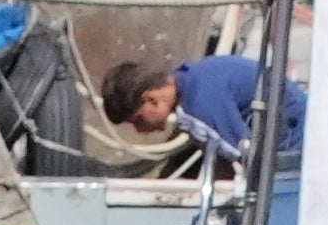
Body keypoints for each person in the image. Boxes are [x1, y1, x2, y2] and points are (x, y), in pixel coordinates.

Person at [103, 49, 301, 167]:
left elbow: (248, 158)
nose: (141, 131)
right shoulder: (195, 75)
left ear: (151, 99)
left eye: (139, 121)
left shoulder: (196, 105)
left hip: (298, 145)